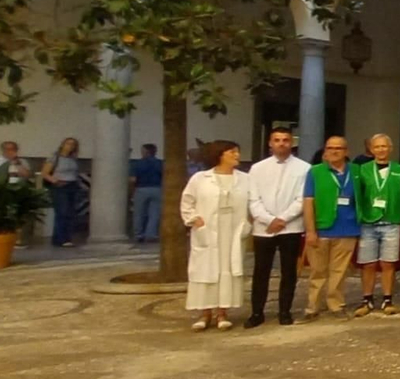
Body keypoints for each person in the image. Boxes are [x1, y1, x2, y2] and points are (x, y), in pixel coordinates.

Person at [181, 140, 251, 331]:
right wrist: (194, 219)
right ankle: (204, 314)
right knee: (205, 270)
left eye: (237, 152)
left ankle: (222, 313)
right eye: (232, 152)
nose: (237, 156)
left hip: (232, 230)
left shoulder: (245, 179)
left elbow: (253, 202)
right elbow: (187, 201)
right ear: (220, 155)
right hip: (208, 230)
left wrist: (249, 223)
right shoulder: (200, 178)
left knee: (227, 268)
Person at [245, 127, 309, 328]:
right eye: (277, 140)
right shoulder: (257, 168)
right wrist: (267, 219)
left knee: (289, 272)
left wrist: (282, 219)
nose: (282, 143)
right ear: (270, 143)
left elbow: (302, 199)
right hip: (264, 228)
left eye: (286, 140)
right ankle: (257, 312)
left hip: (291, 227)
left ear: (292, 143)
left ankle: (284, 311)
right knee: (260, 271)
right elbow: (253, 199)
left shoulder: (304, 168)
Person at [303, 136, 360, 320]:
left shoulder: (356, 171)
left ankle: (336, 305)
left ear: (346, 151)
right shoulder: (315, 172)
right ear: (325, 151)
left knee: (340, 271)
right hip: (322, 228)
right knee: (318, 271)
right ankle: (313, 307)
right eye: (330, 148)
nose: (334, 151)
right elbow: (308, 202)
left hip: (347, 228)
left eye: (339, 148)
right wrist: (310, 230)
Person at [351, 133, 400, 316]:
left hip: (391, 221)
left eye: (385, 146)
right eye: (377, 147)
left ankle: (387, 300)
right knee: (368, 263)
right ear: (371, 149)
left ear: (390, 149)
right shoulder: (362, 169)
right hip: (369, 222)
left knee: (388, 263)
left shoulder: (399, 170)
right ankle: (367, 299)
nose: (381, 150)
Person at [42, 137, 83, 248]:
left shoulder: (73, 158)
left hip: (72, 185)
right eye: (68, 144)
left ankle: (66, 237)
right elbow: (45, 173)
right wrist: (55, 181)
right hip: (60, 185)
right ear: (63, 145)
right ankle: (60, 238)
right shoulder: (55, 157)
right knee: (62, 212)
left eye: (73, 144)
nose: (70, 146)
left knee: (70, 213)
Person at [128, 144, 164, 244]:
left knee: (139, 213)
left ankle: (138, 234)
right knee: (154, 213)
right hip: (157, 189)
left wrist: (132, 192)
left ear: (146, 152)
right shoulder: (160, 163)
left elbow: (132, 180)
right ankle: (151, 234)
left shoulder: (137, 164)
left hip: (141, 188)